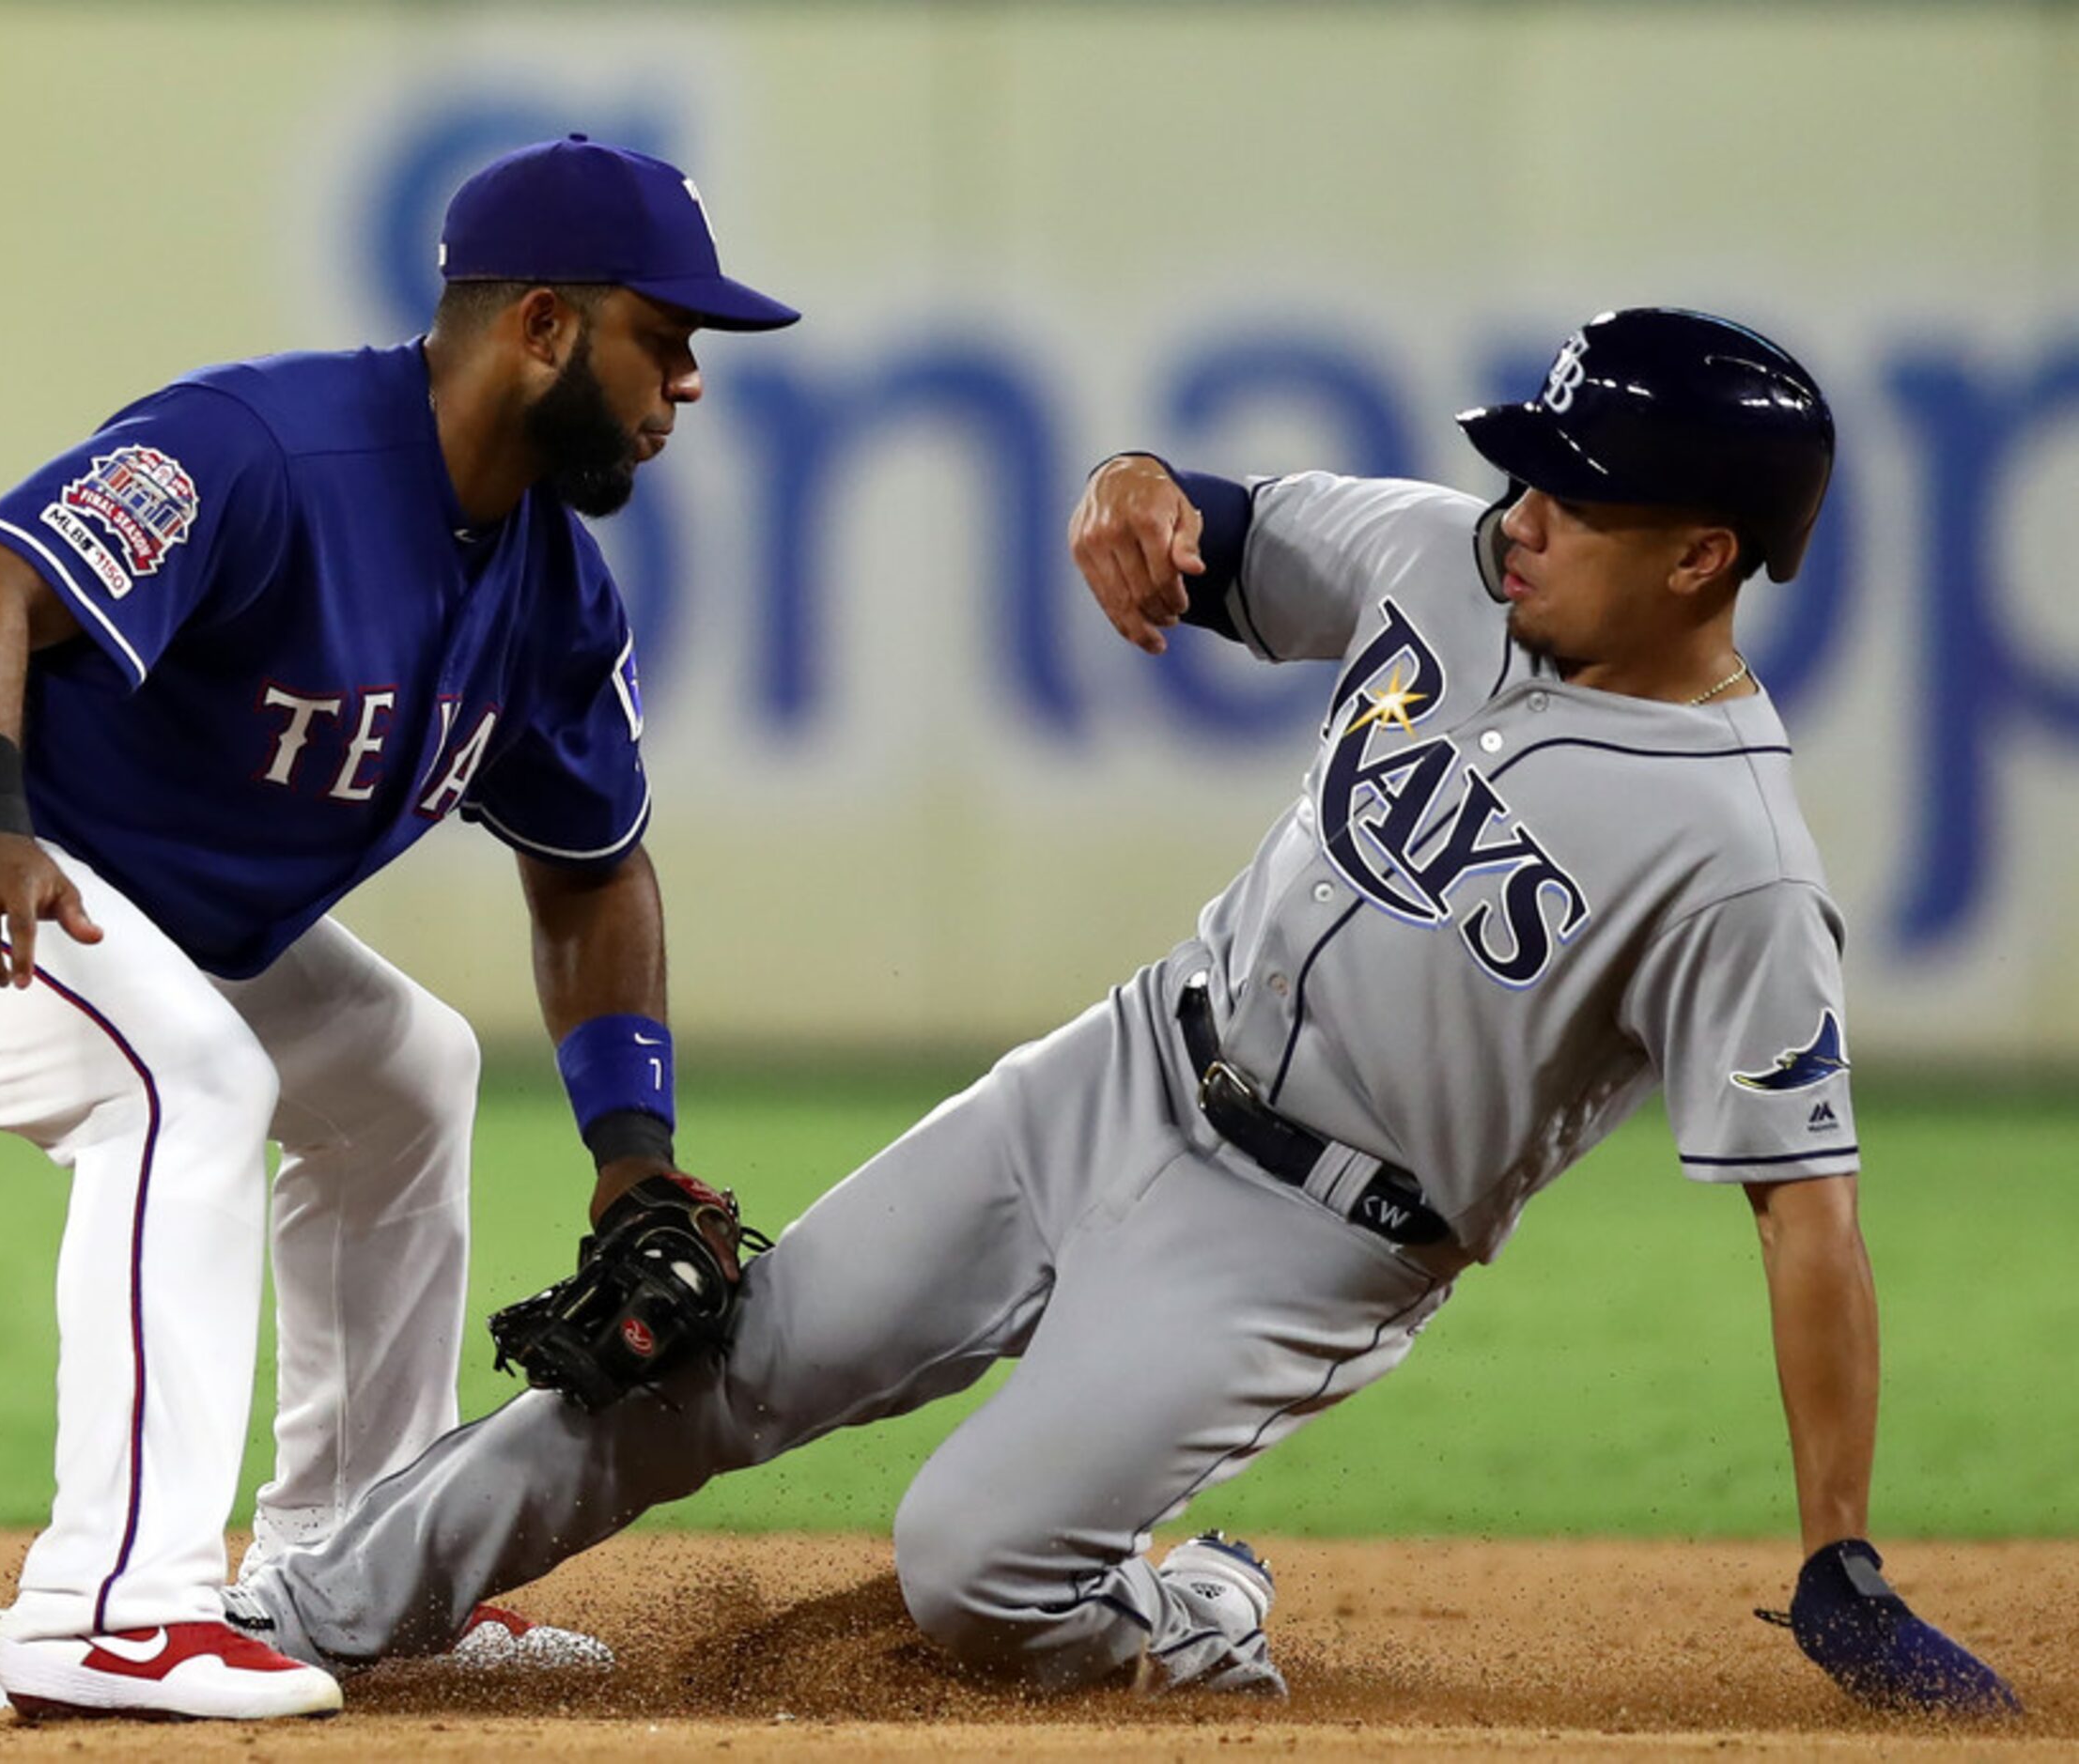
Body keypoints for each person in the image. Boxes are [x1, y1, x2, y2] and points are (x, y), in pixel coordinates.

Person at [225, 308, 2018, 1716]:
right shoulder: (1443, 561)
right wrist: (1135, 480)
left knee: (969, 1567)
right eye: (1529, 470)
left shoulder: (1738, 861)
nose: (1522, 513)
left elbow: (1808, 1209)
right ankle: (298, 1615)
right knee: (691, 1363)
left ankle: (1195, 1610)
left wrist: (1841, 1548)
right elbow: (1207, 521)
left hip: (1307, 1242)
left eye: (1577, 495)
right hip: (1120, 1071)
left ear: (1703, 557)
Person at [0, 134, 798, 1721]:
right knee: (188, 1080)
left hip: (106, 870)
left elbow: (591, 870)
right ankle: (113, 1612)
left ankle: (358, 1575)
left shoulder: (555, 594)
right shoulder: (267, 447)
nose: (690, 380)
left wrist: (630, 1149)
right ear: (545, 326)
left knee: (403, 1072)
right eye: (668, 333)